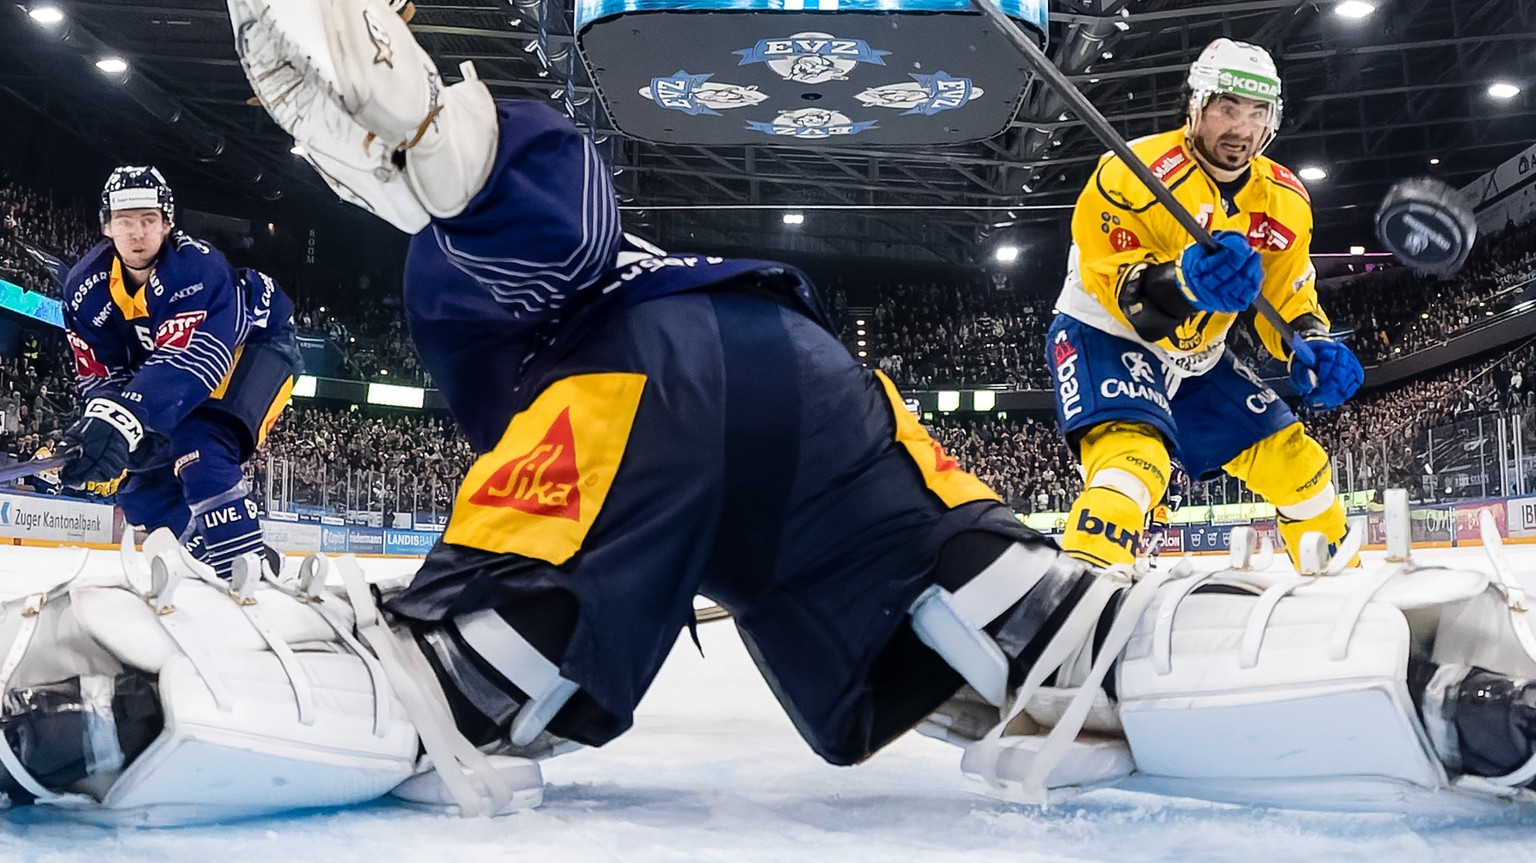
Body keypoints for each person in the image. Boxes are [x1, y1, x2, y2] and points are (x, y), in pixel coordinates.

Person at [4, 0, 1535, 824]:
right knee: (1041, 632)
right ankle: (1407, 676)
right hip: (819, 382)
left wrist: (432, 142)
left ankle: (134, 694)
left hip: (639, 388)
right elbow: (575, 221)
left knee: (455, 671)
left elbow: (556, 226)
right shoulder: (1121, 181)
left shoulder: (468, 288)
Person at [1047, 38, 1364, 573]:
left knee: (1299, 465)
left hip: (1200, 357)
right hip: (1105, 335)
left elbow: (1289, 294)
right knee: (1133, 463)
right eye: (1227, 108)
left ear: (1274, 119)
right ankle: (1073, 599)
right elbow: (1126, 296)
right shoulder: (1129, 172)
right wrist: (1185, 284)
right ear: (1195, 105)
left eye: (1257, 111)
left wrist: (1311, 343)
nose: (1241, 128)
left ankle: (1338, 588)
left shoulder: (1286, 199)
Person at [58, 166, 300, 577]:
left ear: (168, 223)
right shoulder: (84, 288)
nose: (137, 233)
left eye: (149, 220)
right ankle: (210, 551)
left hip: (258, 345)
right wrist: (104, 424)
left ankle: (247, 569)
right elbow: (102, 373)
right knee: (139, 486)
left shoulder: (196, 269)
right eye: (125, 221)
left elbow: (194, 360)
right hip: (171, 372)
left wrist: (126, 416)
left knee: (199, 442)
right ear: (106, 226)